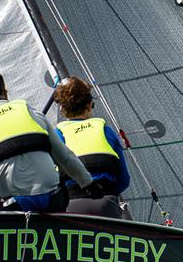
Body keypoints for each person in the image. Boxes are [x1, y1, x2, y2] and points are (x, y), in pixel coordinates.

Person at [0, 69, 93, 212]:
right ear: (6, 93)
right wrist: (88, 184)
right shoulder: (29, 110)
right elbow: (64, 156)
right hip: (52, 200)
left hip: (11, 206)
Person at [53, 77, 130, 219]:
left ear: (62, 109)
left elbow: (52, 179)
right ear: (89, 105)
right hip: (106, 204)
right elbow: (124, 179)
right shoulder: (105, 130)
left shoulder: (58, 133)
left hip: (72, 205)